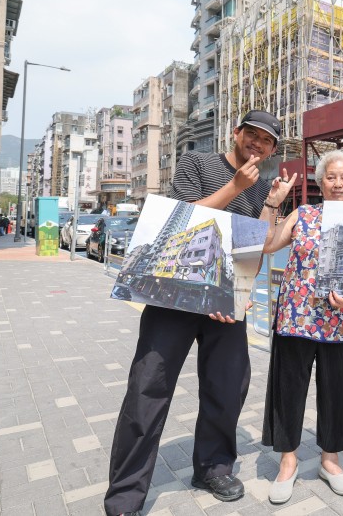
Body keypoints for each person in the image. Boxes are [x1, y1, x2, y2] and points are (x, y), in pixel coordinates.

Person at [104, 110, 296, 516]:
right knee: (147, 388)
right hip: (173, 296)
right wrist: (235, 186)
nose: (258, 144)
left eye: (267, 140)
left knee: (227, 387)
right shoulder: (198, 162)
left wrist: (271, 205)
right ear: (236, 133)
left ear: (272, 150)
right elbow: (178, 221)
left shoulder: (263, 188)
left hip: (224, 302)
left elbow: (256, 249)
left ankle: (213, 467)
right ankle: (125, 495)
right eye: (252, 134)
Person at [261, 149, 343, 505]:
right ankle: (288, 461)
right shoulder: (302, 214)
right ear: (320, 182)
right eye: (331, 177)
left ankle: (330, 460)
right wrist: (273, 204)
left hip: (341, 321)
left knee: (338, 390)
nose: (337, 183)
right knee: (289, 390)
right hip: (297, 317)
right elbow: (267, 244)